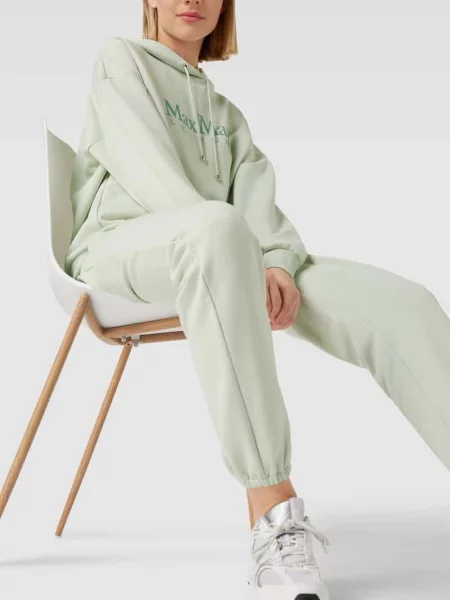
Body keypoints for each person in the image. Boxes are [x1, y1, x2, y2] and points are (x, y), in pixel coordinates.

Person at [64, 1, 450, 598]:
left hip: (224, 252)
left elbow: (258, 208)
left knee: (404, 304)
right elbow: (148, 170)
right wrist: (236, 245)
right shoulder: (121, 60)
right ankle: (273, 513)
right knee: (216, 230)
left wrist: (274, 262)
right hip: (119, 253)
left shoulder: (226, 116)